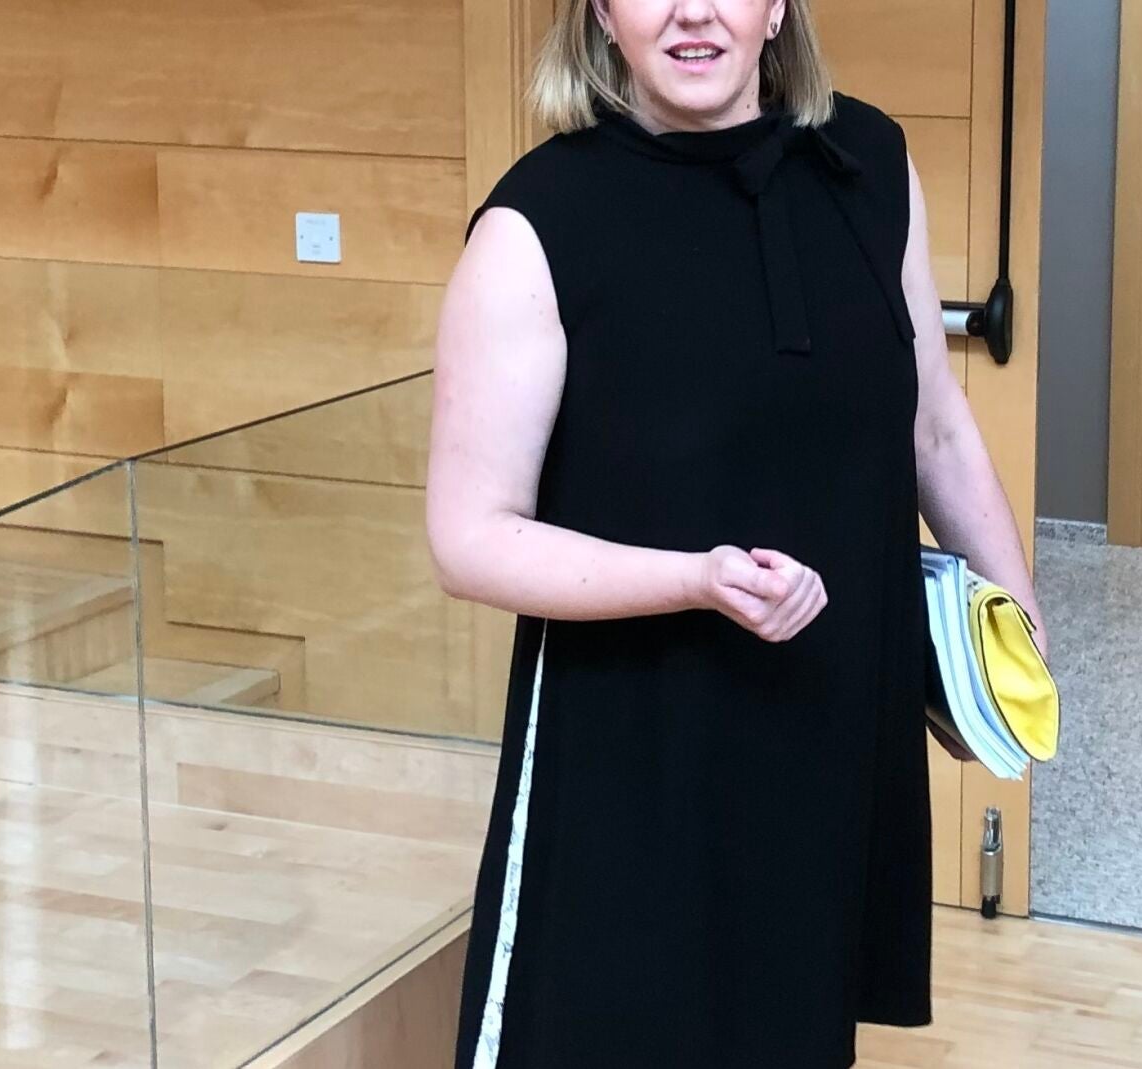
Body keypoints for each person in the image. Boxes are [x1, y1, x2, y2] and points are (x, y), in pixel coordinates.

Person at [425, 0, 1046, 1064]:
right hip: (638, 758)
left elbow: (933, 424)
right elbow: (468, 536)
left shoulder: (869, 163)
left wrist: (1014, 625)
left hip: (826, 730)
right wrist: (695, 579)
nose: (693, 11)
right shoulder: (535, 226)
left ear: (777, 7)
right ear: (600, 13)